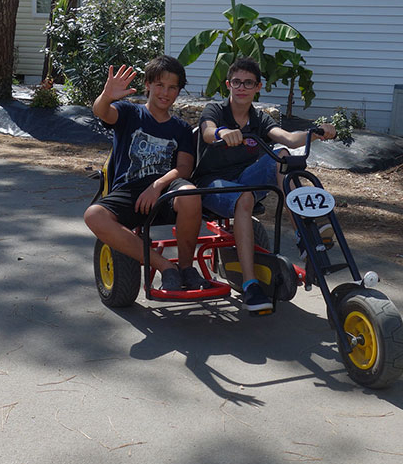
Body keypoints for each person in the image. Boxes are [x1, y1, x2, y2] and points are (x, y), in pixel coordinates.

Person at [195, 56, 336, 312]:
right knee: (245, 197)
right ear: (228, 84)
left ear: (258, 87)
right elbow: (207, 131)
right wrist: (222, 133)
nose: (241, 88)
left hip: (245, 179)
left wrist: (315, 132)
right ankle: (250, 284)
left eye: (248, 83)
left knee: (282, 156)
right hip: (213, 184)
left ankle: (304, 238)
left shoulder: (259, 119)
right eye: (236, 82)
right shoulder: (215, 110)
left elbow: (290, 140)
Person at [83, 56, 207, 292]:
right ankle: (165, 267)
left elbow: (184, 169)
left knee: (191, 193)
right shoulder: (129, 113)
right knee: (93, 215)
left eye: (172, 88)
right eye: (160, 85)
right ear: (148, 85)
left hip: (165, 190)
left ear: (179, 91)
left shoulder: (180, 128)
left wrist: (157, 186)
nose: (165, 92)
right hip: (129, 191)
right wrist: (107, 95)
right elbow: (102, 111)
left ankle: (186, 268)